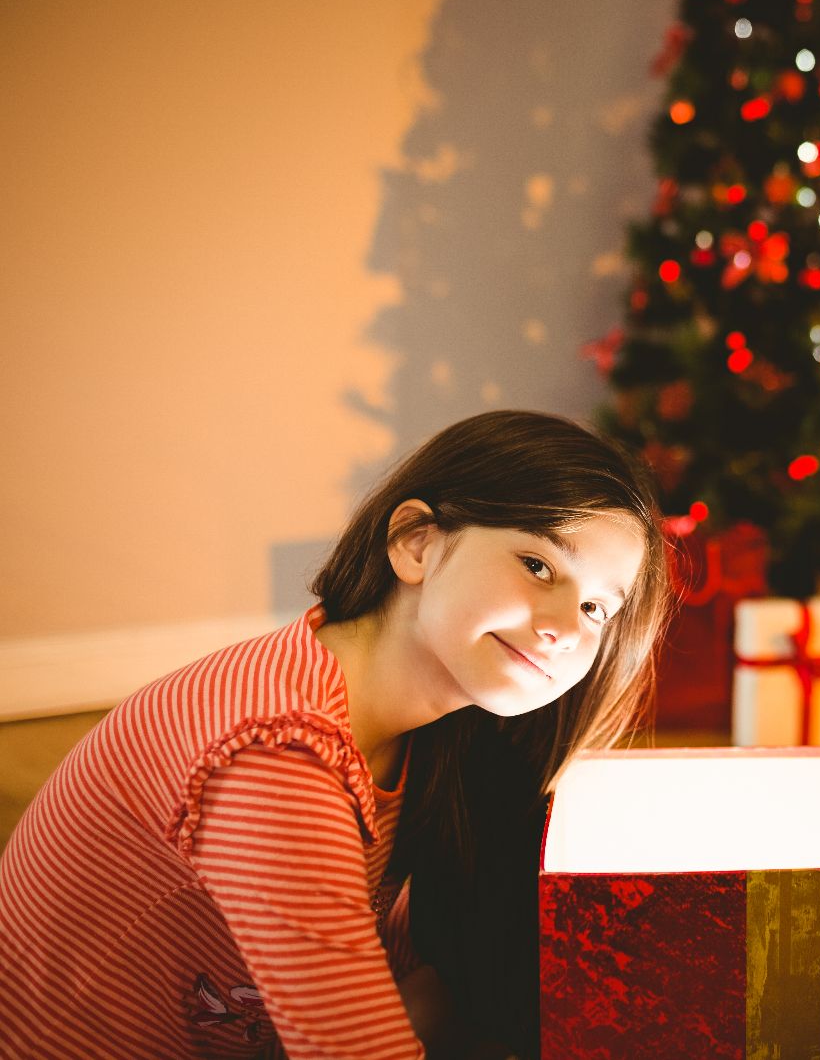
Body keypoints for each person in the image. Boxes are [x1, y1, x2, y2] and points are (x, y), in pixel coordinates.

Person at [0, 410, 672, 1059]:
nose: (565, 625)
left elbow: (417, 971)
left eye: (594, 606)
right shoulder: (274, 748)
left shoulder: (430, 730)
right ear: (416, 542)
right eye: (537, 564)